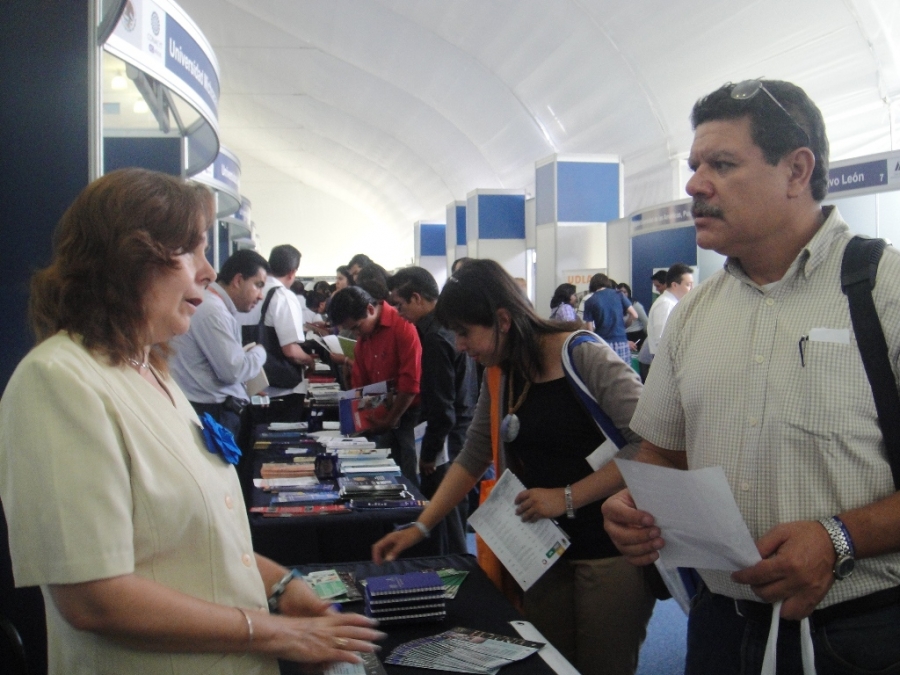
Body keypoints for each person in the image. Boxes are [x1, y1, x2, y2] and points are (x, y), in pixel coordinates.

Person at [0, 168, 383, 675]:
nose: (208, 272)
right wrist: (276, 631)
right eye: (192, 252)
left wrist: (281, 586)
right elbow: (94, 598)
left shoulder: (151, 372)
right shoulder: (58, 381)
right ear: (131, 260)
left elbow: (195, 548)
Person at [602, 79, 900, 675]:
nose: (694, 184)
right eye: (693, 166)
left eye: (722, 163)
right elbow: (664, 450)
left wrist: (839, 537)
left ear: (796, 171)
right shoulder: (697, 314)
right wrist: (633, 502)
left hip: (863, 635)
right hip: (720, 630)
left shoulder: (885, 291)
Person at [372, 259, 655, 675]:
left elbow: (650, 445)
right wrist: (422, 526)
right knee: (546, 663)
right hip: (541, 551)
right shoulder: (501, 372)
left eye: (466, 333)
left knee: (603, 664)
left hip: (610, 550)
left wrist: (567, 497)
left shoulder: (583, 355)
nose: (461, 345)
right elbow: (473, 456)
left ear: (502, 320)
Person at [388, 266, 478, 554]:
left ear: (417, 298)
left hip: (446, 441)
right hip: (456, 434)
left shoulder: (436, 337)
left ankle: (457, 579)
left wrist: (429, 454)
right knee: (448, 516)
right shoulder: (447, 328)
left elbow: (442, 407)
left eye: (400, 305)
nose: (399, 313)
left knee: (446, 517)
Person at [169, 248, 269, 441]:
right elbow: (233, 371)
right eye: (258, 285)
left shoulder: (216, 306)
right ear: (238, 280)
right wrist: (260, 353)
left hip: (214, 410)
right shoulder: (213, 310)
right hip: (213, 414)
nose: (261, 296)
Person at [330, 286, 423, 486]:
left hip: (409, 415)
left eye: (356, 327)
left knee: (410, 475)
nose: (356, 333)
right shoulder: (363, 340)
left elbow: (410, 382)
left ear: (370, 309)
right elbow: (360, 383)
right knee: (384, 475)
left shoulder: (402, 325)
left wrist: (391, 419)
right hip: (380, 417)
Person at [582, 273, 638, 363]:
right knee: (623, 374)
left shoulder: (590, 301)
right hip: (621, 341)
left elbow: (589, 329)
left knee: (606, 374)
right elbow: (634, 315)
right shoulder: (619, 295)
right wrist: (624, 325)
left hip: (603, 343)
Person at [644, 262, 693, 359]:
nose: (691, 289)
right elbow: (661, 340)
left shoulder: (673, 303)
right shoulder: (665, 304)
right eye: (688, 285)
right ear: (674, 285)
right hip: (666, 360)